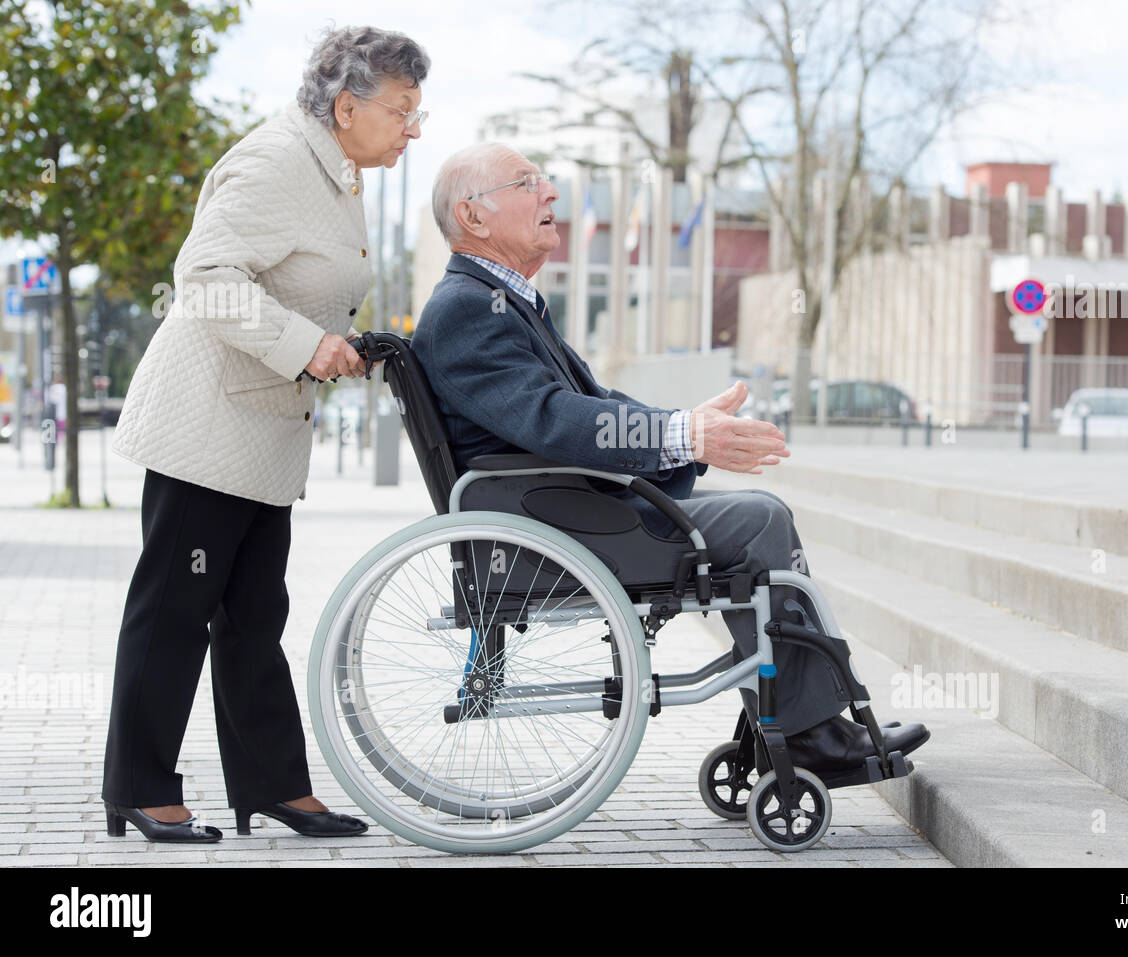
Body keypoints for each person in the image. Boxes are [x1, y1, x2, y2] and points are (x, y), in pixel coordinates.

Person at [409, 143, 929, 773]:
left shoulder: (499, 299)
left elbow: (589, 405)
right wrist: (684, 434)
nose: (550, 194)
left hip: (563, 513)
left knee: (757, 518)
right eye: (527, 183)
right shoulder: (468, 307)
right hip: (556, 526)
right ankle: (811, 736)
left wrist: (688, 427)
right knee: (762, 521)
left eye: (545, 179)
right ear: (474, 217)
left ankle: (795, 725)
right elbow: (555, 420)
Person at [102, 25, 430, 843]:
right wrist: (307, 344)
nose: (415, 128)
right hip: (207, 428)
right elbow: (204, 278)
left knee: (253, 618)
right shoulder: (277, 160)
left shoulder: (336, 168)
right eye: (403, 110)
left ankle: (274, 786)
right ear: (347, 106)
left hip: (263, 432)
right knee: (173, 610)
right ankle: (139, 787)